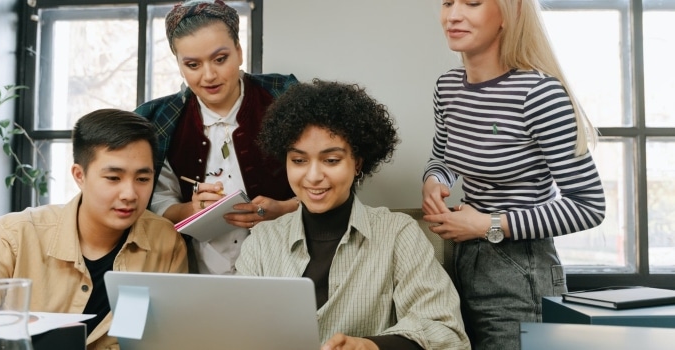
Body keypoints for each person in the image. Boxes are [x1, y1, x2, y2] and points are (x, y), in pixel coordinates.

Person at [421, 1, 607, 349]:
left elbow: (589, 206)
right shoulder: (447, 88)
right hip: (464, 259)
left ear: (508, 14)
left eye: (472, 3)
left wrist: (487, 224)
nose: (453, 15)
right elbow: (443, 159)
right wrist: (435, 181)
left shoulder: (539, 95)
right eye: (448, 2)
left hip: (522, 268)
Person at [237, 79, 471, 350]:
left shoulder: (397, 234)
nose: (313, 176)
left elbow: (448, 334)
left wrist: (371, 346)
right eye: (299, 160)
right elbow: (236, 332)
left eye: (331, 160)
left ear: (357, 163)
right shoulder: (262, 243)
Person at [0, 109, 188, 349]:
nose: (129, 194)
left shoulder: (165, 243)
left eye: (142, 179)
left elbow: (168, 338)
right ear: (79, 175)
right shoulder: (14, 235)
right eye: (113, 178)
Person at [134, 0, 298, 275]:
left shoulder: (284, 98)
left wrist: (283, 209)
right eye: (192, 64)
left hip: (285, 267)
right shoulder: (160, 120)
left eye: (220, 59)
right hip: (198, 273)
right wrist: (190, 209)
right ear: (179, 64)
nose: (209, 76)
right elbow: (158, 200)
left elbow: (326, 179)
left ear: (239, 51)